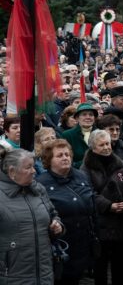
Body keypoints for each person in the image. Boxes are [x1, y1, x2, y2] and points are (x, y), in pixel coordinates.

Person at [0, 148, 64, 284]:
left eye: (34, 166)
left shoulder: (38, 189)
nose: (34, 171)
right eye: (28, 167)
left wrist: (57, 225)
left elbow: (53, 214)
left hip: (44, 273)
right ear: (12, 171)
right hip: (11, 276)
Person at [81, 130, 123, 285]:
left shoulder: (119, 162)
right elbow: (88, 193)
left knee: (122, 267)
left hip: (122, 223)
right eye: (102, 145)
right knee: (101, 269)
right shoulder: (86, 168)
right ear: (93, 147)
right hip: (101, 225)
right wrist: (109, 206)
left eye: (108, 143)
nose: (107, 147)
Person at [37, 140, 96, 285]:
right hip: (61, 246)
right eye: (59, 155)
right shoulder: (41, 183)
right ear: (49, 160)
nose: (65, 158)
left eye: (67, 154)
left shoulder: (81, 176)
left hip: (84, 242)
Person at [62, 103, 98, 168]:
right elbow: (67, 161)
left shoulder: (101, 134)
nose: (88, 117)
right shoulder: (68, 135)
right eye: (84, 114)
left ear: (94, 118)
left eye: (91, 114)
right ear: (77, 118)